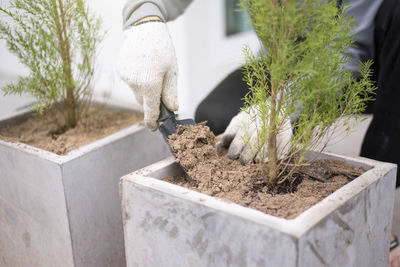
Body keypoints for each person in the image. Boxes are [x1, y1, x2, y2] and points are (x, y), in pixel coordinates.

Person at [118, 0, 400, 265]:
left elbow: (349, 52)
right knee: (215, 116)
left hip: (359, 62)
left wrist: (287, 106)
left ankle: (376, 216)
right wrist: (145, 19)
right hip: (280, 64)